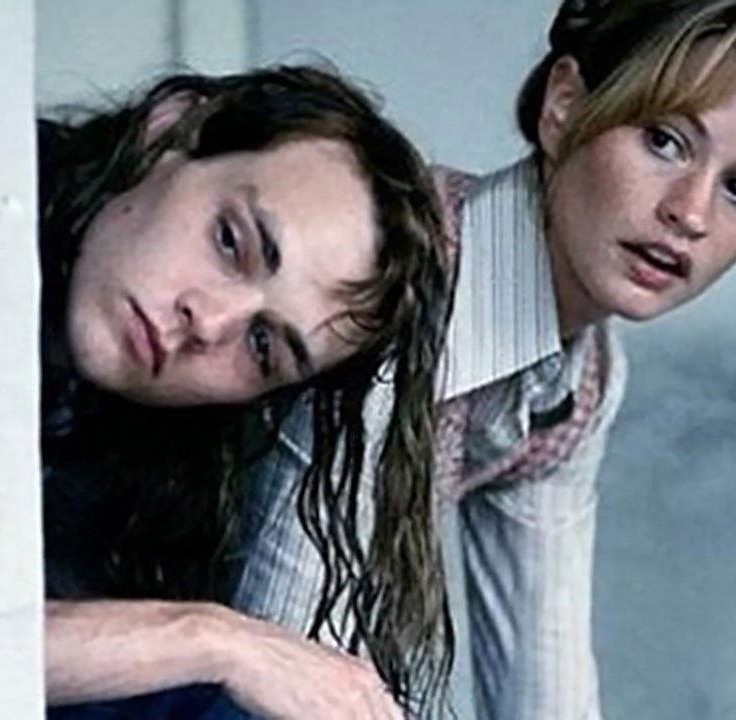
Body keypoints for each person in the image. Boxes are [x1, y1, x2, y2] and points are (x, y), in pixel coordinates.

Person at [227, 1, 736, 718]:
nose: (691, 213)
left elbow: (544, 688)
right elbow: (281, 671)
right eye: (664, 141)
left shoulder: (579, 380)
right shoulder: (395, 274)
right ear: (564, 106)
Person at [38, 66, 451, 720]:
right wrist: (213, 640)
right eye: (231, 242)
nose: (209, 322)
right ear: (167, 129)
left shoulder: (150, 489)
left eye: (262, 345)